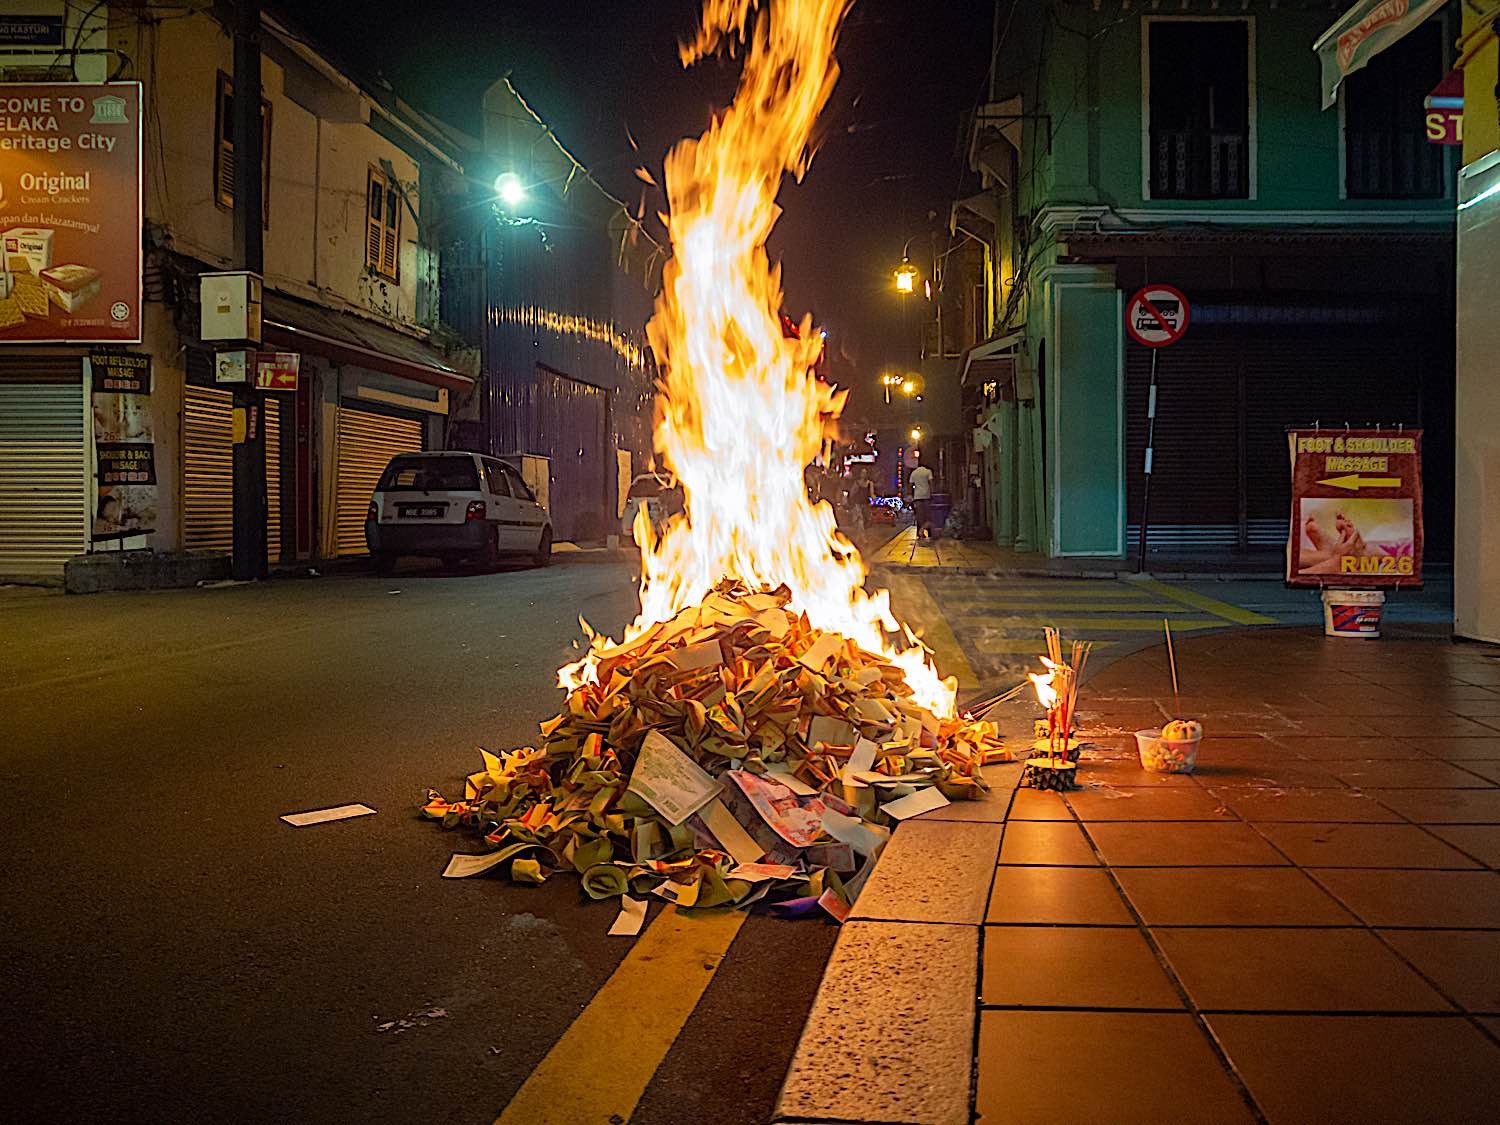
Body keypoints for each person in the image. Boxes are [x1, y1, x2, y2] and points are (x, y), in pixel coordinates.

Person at [909, 452, 935, 540]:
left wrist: (912, 495)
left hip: (917, 497)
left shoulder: (914, 473)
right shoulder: (928, 471)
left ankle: (919, 532)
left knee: (920, 516)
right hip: (927, 496)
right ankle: (929, 533)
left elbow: (911, 485)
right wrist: (932, 493)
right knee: (928, 515)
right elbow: (931, 483)